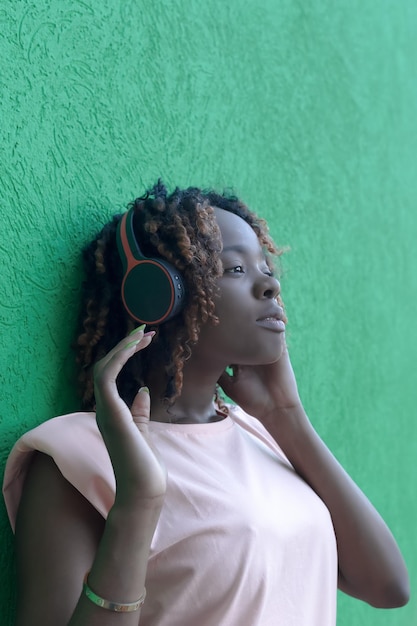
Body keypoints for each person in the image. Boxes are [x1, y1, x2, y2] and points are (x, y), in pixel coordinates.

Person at [2, 181, 410, 626]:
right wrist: (137, 505)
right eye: (236, 269)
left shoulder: (258, 432)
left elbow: (387, 587)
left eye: (265, 266)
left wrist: (287, 418)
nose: (270, 285)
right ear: (157, 291)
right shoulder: (75, 457)